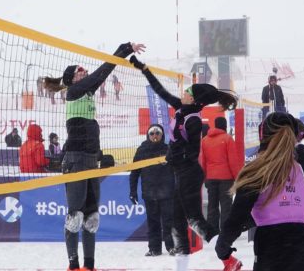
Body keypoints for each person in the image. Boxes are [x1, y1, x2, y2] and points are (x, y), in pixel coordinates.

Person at [129, 54, 237, 271]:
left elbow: (192, 151)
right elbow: (160, 91)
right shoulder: (180, 107)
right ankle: (182, 267)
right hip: (181, 171)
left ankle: (228, 258)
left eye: (187, 92)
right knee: (177, 223)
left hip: (189, 172)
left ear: (194, 100)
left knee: (194, 219)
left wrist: (172, 157)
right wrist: (144, 68)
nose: (183, 93)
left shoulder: (194, 119)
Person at [44, 41, 145, 271]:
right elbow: (102, 71)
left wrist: (102, 156)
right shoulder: (75, 91)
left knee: (91, 218)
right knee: (75, 216)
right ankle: (73, 265)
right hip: (76, 159)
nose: (84, 71)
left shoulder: (86, 93)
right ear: (72, 79)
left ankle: (89, 266)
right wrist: (124, 49)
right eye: (80, 70)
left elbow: (101, 75)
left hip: (90, 159)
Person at [215, 112, 304, 271]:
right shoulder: (302, 166)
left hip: (271, 250)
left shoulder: (257, 170)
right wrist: (301, 228)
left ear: (263, 136)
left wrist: (222, 246)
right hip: (303, 251)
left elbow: (238, 216)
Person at [129, 124, 176, 257]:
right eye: (152, 133)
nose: (155, 136)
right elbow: (134, 173)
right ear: (148, 135)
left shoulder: (168, 150)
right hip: (149, 193)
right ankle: (154, 249)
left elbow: (177, 170)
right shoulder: (141, 150)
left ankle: (171, 247)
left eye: (157, 133)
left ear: (162, 135)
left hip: (167, 192)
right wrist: (132, 192)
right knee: (153, 222)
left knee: (168, 221)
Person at [199, 116, 241, 231]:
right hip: (226, 178)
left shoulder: (205, 140)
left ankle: (212, 230)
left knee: (212, 205)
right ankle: (226, 230)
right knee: (226, 205)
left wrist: (204, 178)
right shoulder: (227, 139)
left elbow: (203, 161)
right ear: (225, 125)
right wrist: (238, 178)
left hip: (210, 177)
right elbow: (233, 161)